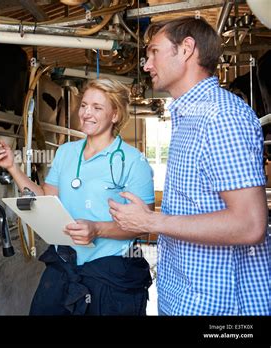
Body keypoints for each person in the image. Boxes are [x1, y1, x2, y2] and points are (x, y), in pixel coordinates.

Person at [108, 17, 270, 315]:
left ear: (186, 49)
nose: (146, 65)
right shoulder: (190, 117)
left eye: (154, 52)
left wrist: (151, 222)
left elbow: (250, 224)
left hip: (221, 309)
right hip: (188, 298)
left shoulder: (221, 116)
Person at [0, 78, 155, 315]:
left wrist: (98, 229)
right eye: (84, 105)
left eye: (97, 108)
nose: (86, 113)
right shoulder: (66, 152)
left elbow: (143, 226)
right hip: (65, 264)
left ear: (115, 115)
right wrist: (13, 168)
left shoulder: (133, 162)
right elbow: (45, 197)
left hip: (110, 272)